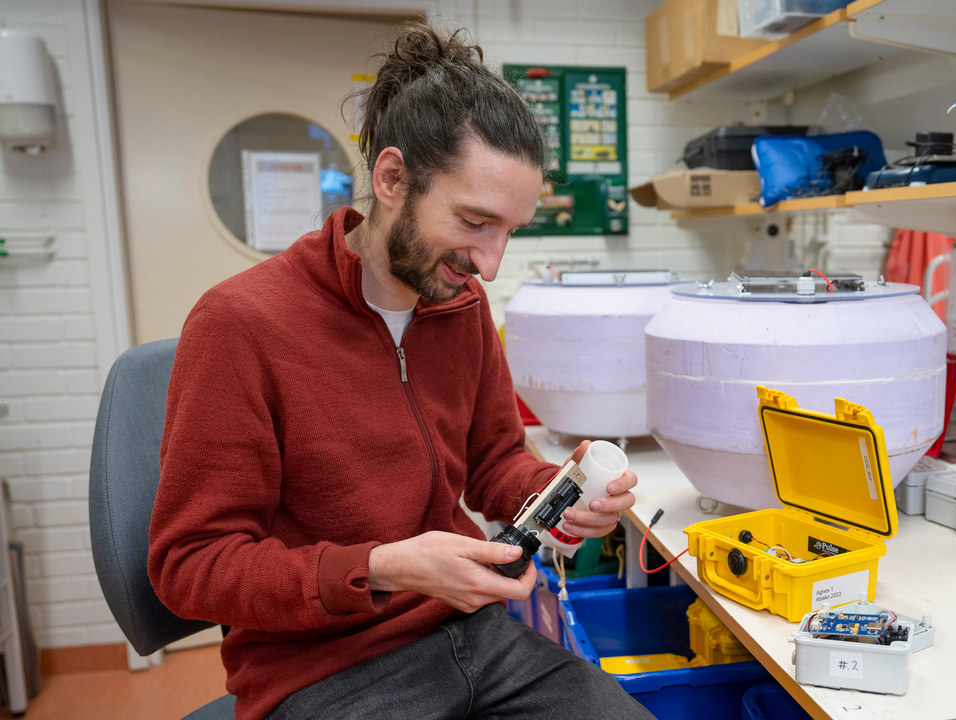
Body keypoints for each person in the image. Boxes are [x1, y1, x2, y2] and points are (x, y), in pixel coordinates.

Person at [148, 22, 653, 720]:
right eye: (475, 222)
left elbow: (494, 462)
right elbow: (190, 565)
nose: (491, 264)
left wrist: (562, 496)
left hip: (472, 637)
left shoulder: (462, 307)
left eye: (510, 231)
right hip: (323, 671)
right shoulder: (241, 325)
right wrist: (381, 566)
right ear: (391, 179)